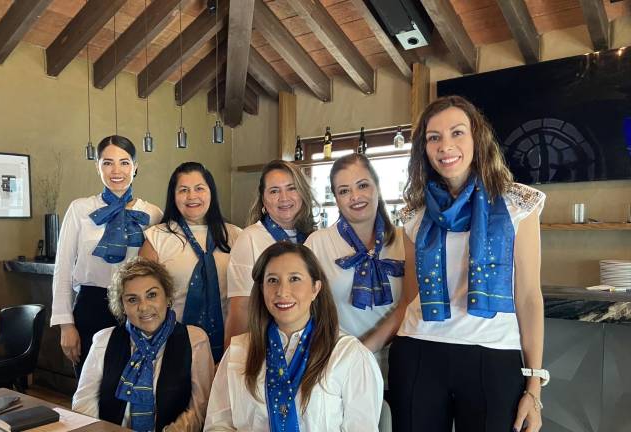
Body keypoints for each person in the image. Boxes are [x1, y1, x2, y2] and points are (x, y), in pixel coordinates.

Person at [391, 95, 546, 432]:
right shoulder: (413, 215)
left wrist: (533, 389)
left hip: (493, 357)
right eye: (434, 138)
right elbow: (409, 299)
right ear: (424, 149)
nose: (446, 146)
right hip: (418, 352)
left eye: (457, 132)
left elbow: (529, 298)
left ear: (477, 138)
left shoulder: (518, 204)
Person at [205, 242, 383, 431]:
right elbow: (217, 425)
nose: (282, 292)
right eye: (272, 280)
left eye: (295, 279)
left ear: (316, 288)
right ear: (262, 289)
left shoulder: (348, 355)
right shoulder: (238, 352)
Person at [51, 135, 162, 376]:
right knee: (91, 386)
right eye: (107, 162)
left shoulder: (152, 213)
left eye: (124, 162)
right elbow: (62, 268)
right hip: (91, 306)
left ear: (135, 167)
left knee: (136, 383)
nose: (116, 170)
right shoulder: (79, 209)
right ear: (98, 167)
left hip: (137, 307)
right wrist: (65, 325)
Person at [72, 257, 214, 431]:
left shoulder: (195, 340)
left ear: (168, 297)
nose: (144, 307)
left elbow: (199, 408)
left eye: (152, 295)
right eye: (132, 299)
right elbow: (84, 403)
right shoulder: (104, 340)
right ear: (122, 306)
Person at [304, 153, 404, 378]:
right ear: (336, 199)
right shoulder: (317, 243)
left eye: (362, 185)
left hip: (400, 366)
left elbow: (410, 305)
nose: (355, 196)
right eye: (344, 191)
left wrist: (365, 349)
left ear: (377, 187)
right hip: (340, 367)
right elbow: (307, 312)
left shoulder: (404, 240)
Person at [140, 162, 241, 362]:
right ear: (173, 196)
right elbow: (142, 293)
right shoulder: (157, 237)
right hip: (170, 343)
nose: (192, 196)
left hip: (229, 342)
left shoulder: (236, 235)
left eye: (199, 188)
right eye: (183, 190)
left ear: (211, 192)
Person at [224, 160, 318, 346]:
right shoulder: (250, 238)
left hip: (312, 342)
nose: (284, 198)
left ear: (302, 194)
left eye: (291, 188)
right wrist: (233, 360)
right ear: (263, 200)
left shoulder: (314, 238)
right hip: (267, 343)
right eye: (274, 191)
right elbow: (240, 308)